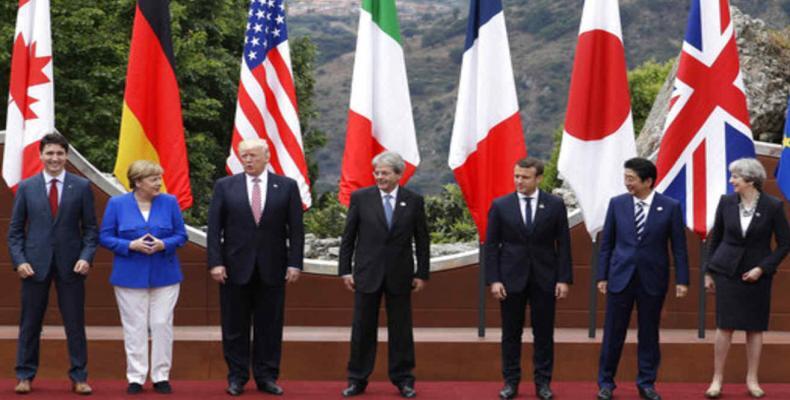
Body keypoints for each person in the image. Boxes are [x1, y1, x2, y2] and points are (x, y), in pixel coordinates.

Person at [207, 138, 304, 396]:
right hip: (234, 268)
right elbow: (214, 229)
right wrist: (215, 262)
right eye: (243, 155)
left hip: (273, 268)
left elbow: (296, 230)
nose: (247, 160)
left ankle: (267, 376)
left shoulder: (286, 187)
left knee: (269, 326)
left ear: (266, 156)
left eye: (252, 155)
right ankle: (236, 377)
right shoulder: (225, 186)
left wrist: (295, 262)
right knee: (234, 326)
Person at [7, 133, 97, 395]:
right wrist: (20, 261)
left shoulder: (81, 187)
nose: (54, 158)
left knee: (75, 324)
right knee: (30, 323)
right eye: (50, 153)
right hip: (33, 268)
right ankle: (24, 375)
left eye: (59, 153)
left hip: (72, 267)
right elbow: (15, 232)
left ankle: (79, 377)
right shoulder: (27, 187)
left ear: (66, 156)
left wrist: (85, 257)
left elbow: (91, 230)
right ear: (41, 156)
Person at [595, 157, 689, 400]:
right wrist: (601, 275)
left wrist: (682, 280)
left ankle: (646, 383)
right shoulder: (617, 204)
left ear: (648, 181)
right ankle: (606, 383)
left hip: (652, 279)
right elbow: (607, 245)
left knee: (649, 333)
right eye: (625, 178)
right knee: (613, 333)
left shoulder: (670, 206)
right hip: (620, 278)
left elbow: (679, 247)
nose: (627, 183)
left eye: (631, 179)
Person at [338, 151, 430, 399]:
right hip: (367, 274)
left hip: (400, 276)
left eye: (385, 173)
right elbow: (349, 237)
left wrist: (421, 272)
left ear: (398, 175)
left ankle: (404, 380)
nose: (380, 177)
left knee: (401, 330)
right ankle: (357, 379)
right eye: (377, 172)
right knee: (362, 329)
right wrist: (345, 269)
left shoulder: (413, 200)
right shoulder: (361, 198)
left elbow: (422, 240)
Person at [485, 157, 572, 400]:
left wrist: (563, 279)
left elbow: (563, 244)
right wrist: (494, 279)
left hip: (545, 279)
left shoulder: (555, 205)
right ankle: (510, 382)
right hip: (510, 280)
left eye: (524, 177)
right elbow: (491, 246)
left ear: (538, 178)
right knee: (510, 333)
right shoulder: (501, 205)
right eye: (516, 176)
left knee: (543, 334)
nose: (519, 181)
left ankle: (543, 383)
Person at [702, 158, 790, 399]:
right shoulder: (727, 202)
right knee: (724, 326)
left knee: (754, 327)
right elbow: (716, 237)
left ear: (750, 180)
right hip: (727, 271)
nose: (732, 181)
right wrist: (708, 272)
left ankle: (752, 379)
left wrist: (763, 268)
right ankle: (717, 378)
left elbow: (785, 244)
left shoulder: (773, 206)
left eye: (736, 177)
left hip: (757, 274)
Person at [99, 160, 187, 394]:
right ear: (138, 182)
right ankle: (136, 377)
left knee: (161, 324)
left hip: (165, 274)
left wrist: (163, 244)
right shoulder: (117, 204)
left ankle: (161, 376)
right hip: (129, 275)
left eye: (159, 178)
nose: (159, 183)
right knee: (134, 327)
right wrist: (130, 244)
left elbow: (181, 235)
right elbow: (105, 237)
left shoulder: (170, 202)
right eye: (153, 179)